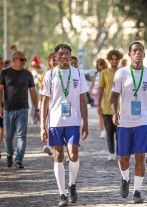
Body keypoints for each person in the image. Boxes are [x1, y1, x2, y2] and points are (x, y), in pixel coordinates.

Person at [40, 44, 89, 207]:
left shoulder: (78, 73)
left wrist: (85, 123)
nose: (64, 57)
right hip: (55, 122)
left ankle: (72, 184)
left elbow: (83, 100)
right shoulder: (50, 74)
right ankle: (62, 194)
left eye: (67, 54)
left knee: (73, 154)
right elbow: (45, 102)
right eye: (60, 54)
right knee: (58, 156)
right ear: (55, 57)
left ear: (70, 56)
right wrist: (42, 126)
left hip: (73, 121)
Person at [111, 42, 147, 203]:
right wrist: (114, 112)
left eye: (140, 51)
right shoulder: (121, 73)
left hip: (143, 121)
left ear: (144, 54)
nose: (137, 53)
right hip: (124, 122)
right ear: (130, 54)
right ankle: (125, 178)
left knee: (140, 157)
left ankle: (137, 191)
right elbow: (113, 97)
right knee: (123, 158)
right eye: (134, 51)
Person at [0, 51, 39, 169]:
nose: (23, 62)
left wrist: (36, 109)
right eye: (21, 59)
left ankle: (19, 160)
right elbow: (0, 90)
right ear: (14, 60)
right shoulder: (5, 73)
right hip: (8, 109)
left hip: (23, 109)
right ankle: (9, 154)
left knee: (21, 136)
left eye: (24, 60)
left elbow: (33, 92)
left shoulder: (27, 74)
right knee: (7, 136)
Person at [98, 51, 122, 160]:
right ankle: (111, 153)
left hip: (121, 108)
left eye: (116, 59)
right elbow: (101, 89)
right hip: (107, 107)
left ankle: (120, 152)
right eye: (112, 59)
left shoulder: (123, 72)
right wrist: (99, 105)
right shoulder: (103, 73)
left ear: (119, 60)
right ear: (109, 60)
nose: (114, 61)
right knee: (109, 131)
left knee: (120, 132)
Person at [39, 53, 58, 156]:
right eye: (53, 60)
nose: (55, 61)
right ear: (49, 62)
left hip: (62, 107)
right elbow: (43, 93)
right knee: (49, 125)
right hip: (50, 105)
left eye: (56, 59)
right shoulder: (47, 74)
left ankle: (57, 148)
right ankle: (49, 145)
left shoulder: (64, 73)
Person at [92, 58, 108, 139]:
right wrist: (91, 90)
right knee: (100, 113)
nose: (100, 66)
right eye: (98, 64)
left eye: (101, 64)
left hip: (105, 95)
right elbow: (93, 82)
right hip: (97, 94)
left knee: (106, 113)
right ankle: (102, 130)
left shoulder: (106, 72)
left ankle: (107, 129)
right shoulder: (96, 73)